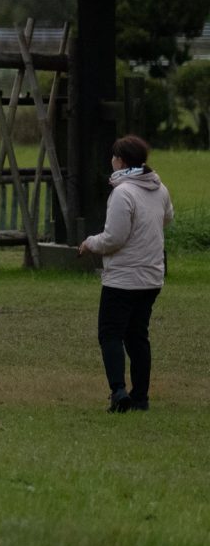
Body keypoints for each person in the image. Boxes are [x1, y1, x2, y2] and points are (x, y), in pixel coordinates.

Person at [81, 134, 174, 412]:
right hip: (151, 277)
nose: (111, 160)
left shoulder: (123, 192)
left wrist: (89, 243)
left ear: (121, 160)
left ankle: (119, 391)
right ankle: (141, 397)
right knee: (137, 336)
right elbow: (167, 217)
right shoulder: (159, 189)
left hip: (123, 279)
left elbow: (114, 238)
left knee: (110, 334)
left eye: (113, 156)